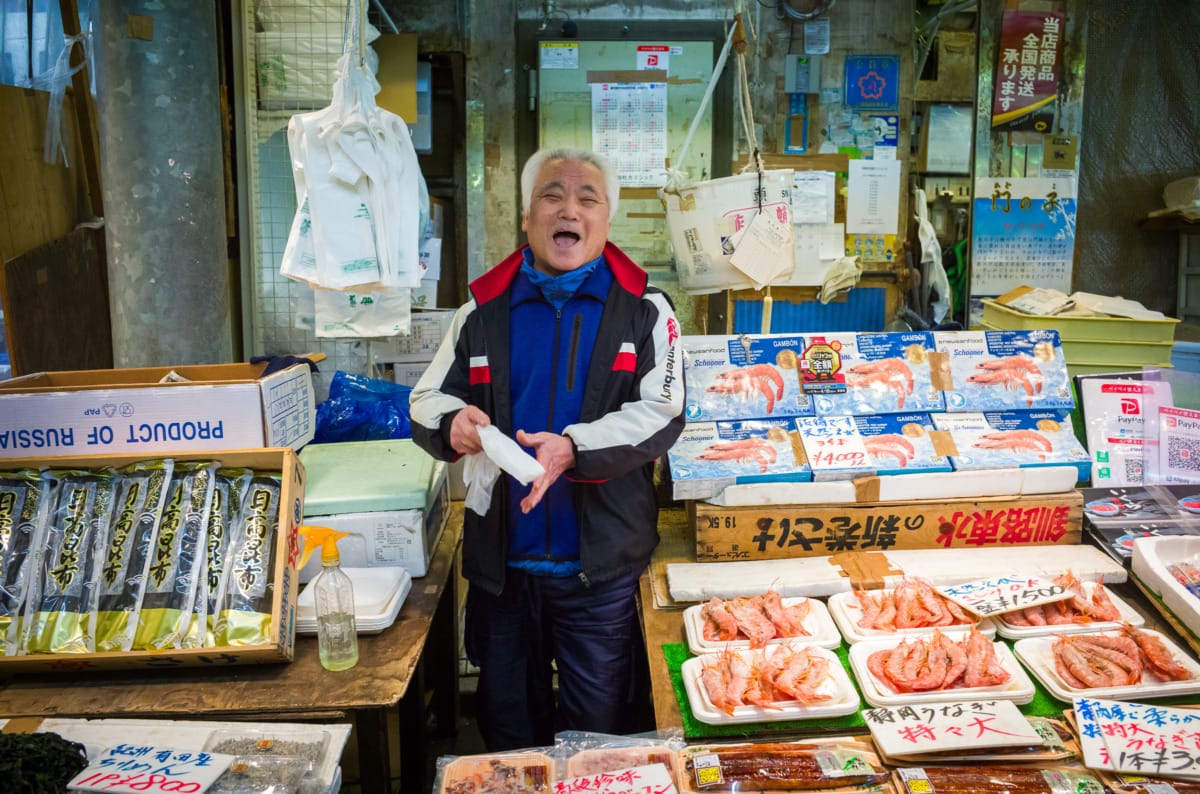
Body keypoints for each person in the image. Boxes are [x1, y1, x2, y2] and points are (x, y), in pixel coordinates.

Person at [409, 147, 685, 750]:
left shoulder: (646, 311)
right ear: (528, 219)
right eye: (552, 196)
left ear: (607, 220)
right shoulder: (479, 313)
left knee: (601, 733)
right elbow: (426, 399)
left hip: (602, 572)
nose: (569, 209)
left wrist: (572, 448)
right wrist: (453, 423)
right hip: (502, 571)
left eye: (587, 198)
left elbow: (661, 413)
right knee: (510, 737)